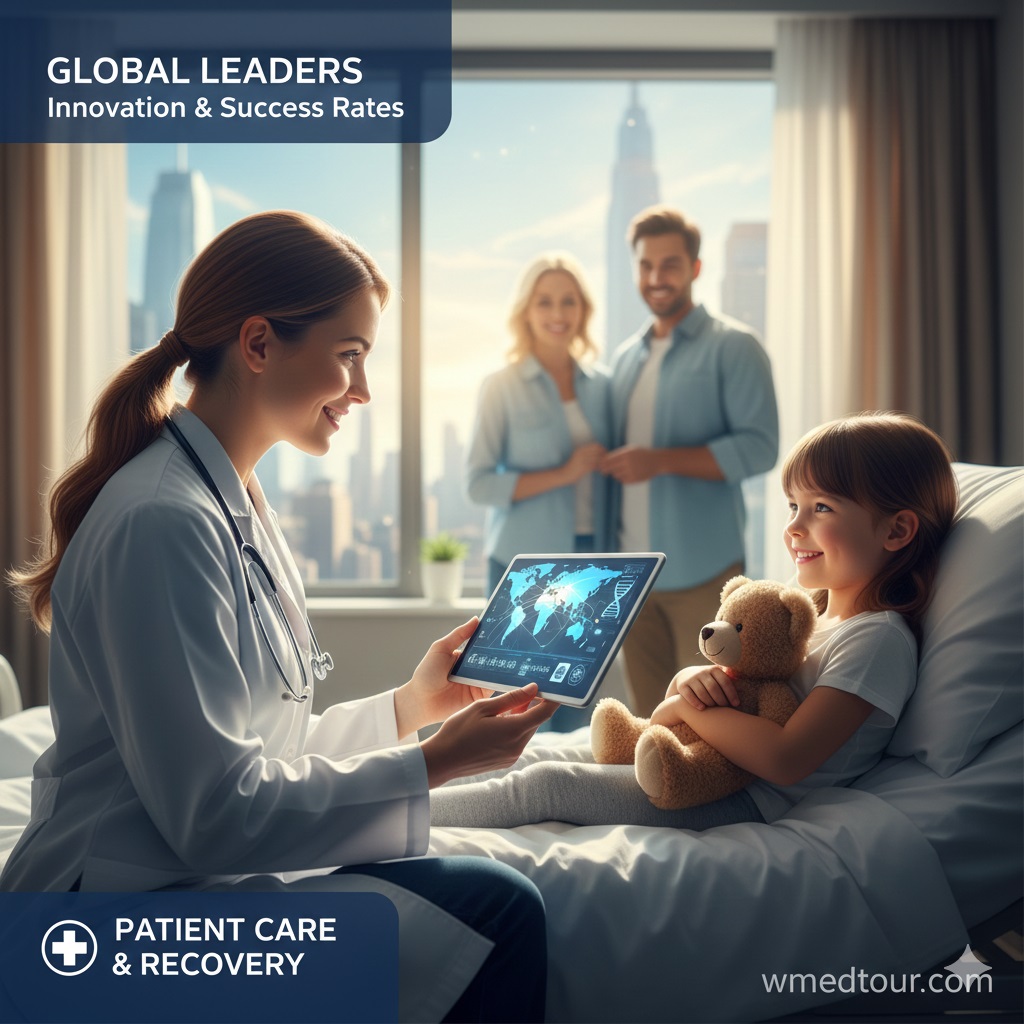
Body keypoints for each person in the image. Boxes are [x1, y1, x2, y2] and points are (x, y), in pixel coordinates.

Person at [0, 211, 557, 1023]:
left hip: (181, 875)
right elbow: (216, 815)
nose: (364, 391)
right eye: (349, 356)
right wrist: (431, 765)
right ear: (258, 344)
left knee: (488, 901)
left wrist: (413, 709)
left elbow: (261, 753)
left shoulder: (230, 502)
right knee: (498, 910)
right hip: (112, 911)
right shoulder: (164, 521)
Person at [430, 412, 958, 832]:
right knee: (538, 753)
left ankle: (382, 820)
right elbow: (709, 704)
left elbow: (784, 758)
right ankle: (381, 790)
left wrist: (688, 705)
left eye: (821, 508)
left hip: (746, 799)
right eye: (793, 505)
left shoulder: (877, 639)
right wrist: (687, 683)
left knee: (545, 786)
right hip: (708, 764)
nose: (794, 527)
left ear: (897, 531)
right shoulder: (809, 618)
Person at [602, 205, 779, 717]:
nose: (657, 278)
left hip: (703, 572)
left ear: (695, 268)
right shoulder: (623, 359)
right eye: (646, 265)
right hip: (631, 578)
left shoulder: (736, 347)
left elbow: (760, 447)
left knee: (711, 721)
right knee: (649, 722)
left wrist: (658, 461)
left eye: (670, 264)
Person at [464, 253, 611, 731]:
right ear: (526, 311)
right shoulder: (500, 387)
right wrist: (564, 473)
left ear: (583, 311)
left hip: (592, 564)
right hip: (525, 569)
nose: (558, 312)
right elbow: (479, 483)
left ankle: (568, 804)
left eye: (569, 301)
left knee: (574, 704)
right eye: (544, 301)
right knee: (519, 708)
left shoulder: (603, 387)